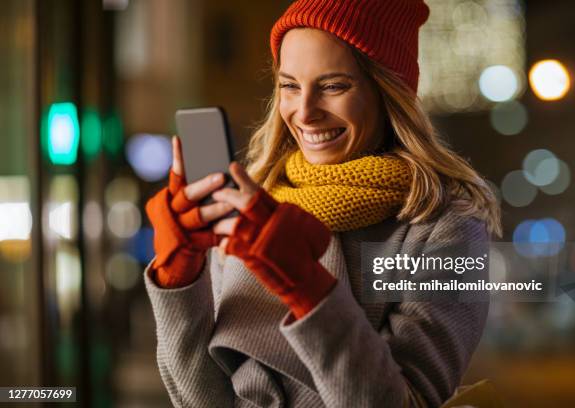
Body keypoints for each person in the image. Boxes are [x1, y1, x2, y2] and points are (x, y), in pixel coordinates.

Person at [144, 0, 502, 406]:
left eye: (334, 86)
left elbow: (409, 401)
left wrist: (308, 286)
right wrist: (179, 279)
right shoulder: (255, 205)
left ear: (388, 93)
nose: (305, 112)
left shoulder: (445, 225)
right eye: (290, 85)